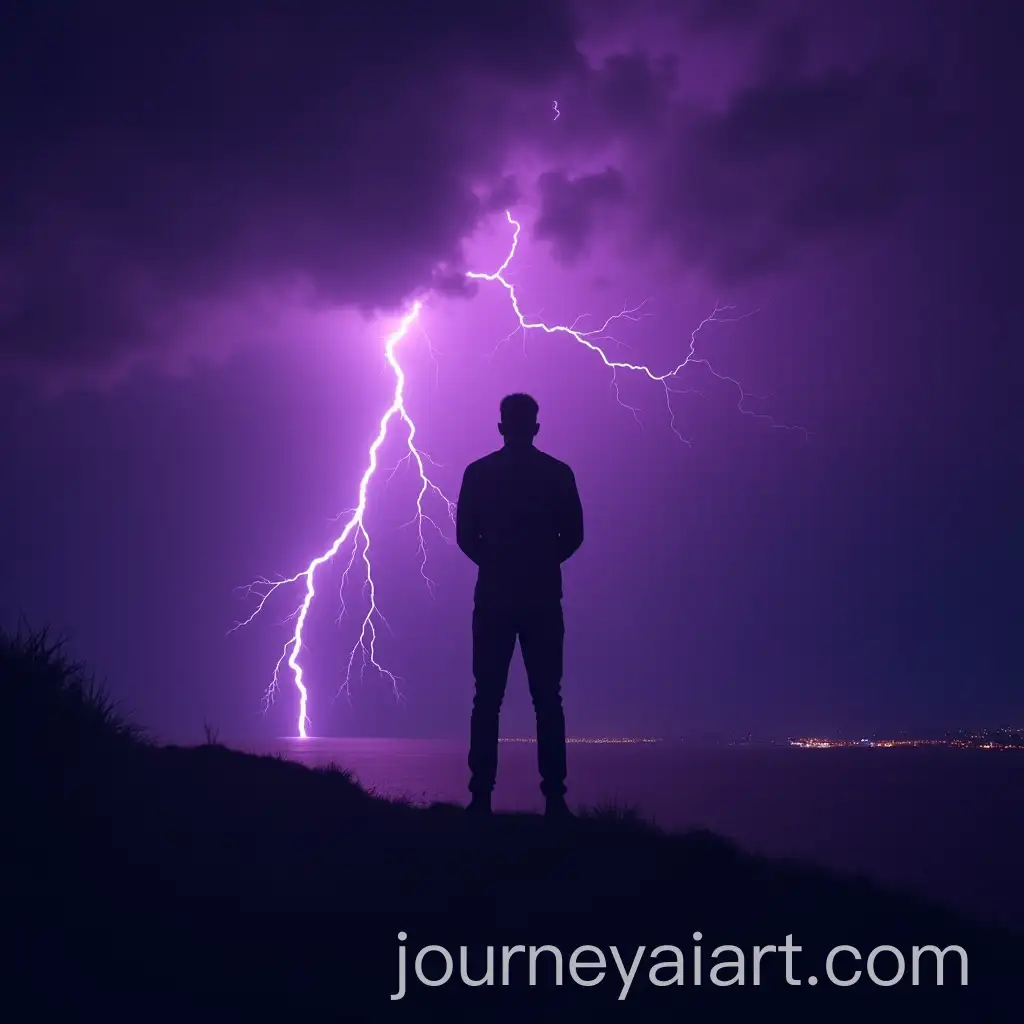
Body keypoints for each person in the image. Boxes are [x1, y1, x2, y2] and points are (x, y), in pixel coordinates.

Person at [456, 393, 584, 819]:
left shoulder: (478, 474)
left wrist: (495, 562)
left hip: (493, 597)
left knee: (486, 699)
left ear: (500, 427)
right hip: (543, 598)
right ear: (535, 427)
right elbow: (575, 535)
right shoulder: (558, 474)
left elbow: (464, 537)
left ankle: (480, 797)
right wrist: (543, 562)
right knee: (548, 699)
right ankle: (555, 799)